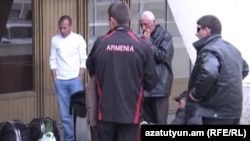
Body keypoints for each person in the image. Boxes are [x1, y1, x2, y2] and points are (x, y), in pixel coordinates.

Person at [86, 1, 157, 141]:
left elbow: (91, 69)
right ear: (128, 19)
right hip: (131, 114)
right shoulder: (141, 45)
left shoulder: (101, 43)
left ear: (112, 20)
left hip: (105, 113)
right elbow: (151, 82)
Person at [186, 15, 249, 125]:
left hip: (216, 112)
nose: (196, 33)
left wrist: (196, 94)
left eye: (198, 29)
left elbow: (209, 72)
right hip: (234, 111)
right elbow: (244, 69)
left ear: (207, 30)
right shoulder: (232, 48)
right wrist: (225, 83)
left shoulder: (209, 49)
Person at [49, 15, 87, 140]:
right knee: (65, 114)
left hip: (75, 80)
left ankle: (78, 136)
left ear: (71, 26)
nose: (62, 30)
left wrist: (80, 75)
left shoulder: (78, 39)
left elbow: (83, 58)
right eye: (60, 28)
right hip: (61, 81)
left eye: (65, 28)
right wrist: (55, 77)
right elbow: (53, 59)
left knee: (78, 112)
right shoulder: (55, 40)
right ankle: (69, 138)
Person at [139, 10, 174, 124]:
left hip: (159, 86)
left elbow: (162, 56)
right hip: (145, 86)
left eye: (146, 24)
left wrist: (148, 43)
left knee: (160, 121)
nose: (144, 28)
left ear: (154, 22)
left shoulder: (165, 36)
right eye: (141, 25)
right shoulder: (143, 38)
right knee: (147, 122)